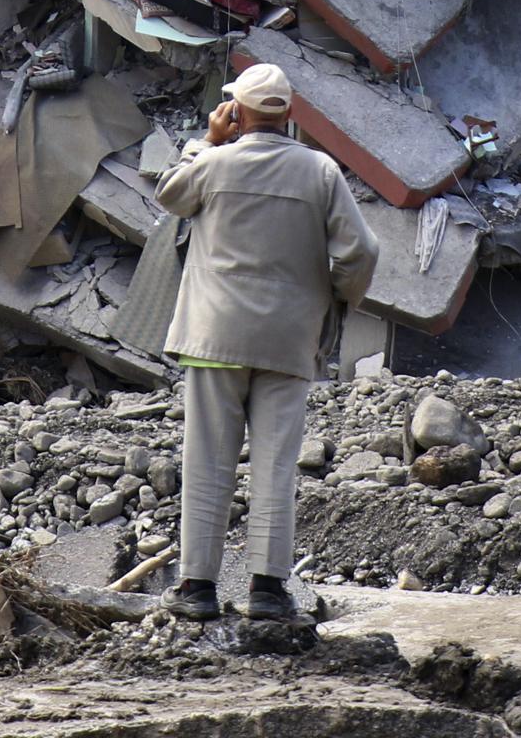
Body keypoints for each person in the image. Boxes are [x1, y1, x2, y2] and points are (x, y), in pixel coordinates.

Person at [154, 61, 376, 621]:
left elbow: (170, 196)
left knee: (207, 460)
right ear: (289, 115)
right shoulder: (321, 172)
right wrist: (333, 299)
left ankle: (198, 589)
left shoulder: (213, 163)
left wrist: (206, 140)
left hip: (213, 336)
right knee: (275, 464)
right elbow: (361, 252)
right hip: (288, 340)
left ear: (238, 112)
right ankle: (268, 590)